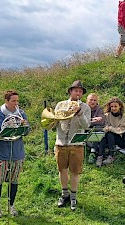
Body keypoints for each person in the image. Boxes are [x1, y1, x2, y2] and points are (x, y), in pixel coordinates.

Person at [0, 90, 28, 217]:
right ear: (6, 101)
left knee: (14, 181)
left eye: (17, 101)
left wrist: (25, 126)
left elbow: (26, 132)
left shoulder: (21, 113)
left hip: (17, 153)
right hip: (1, 153)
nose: (16, 104)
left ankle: (11, 206)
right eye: (13, 101)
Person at [55, 80, 91, 211]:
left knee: (75, 172)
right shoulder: (60, 104)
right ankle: (64, 194)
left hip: (77, 144)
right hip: (61, 143)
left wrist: (79, 113)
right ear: (70, 91)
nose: (78, 93)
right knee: (62, 169)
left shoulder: (85, 107)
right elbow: (54, 122)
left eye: (80, 91)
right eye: (76, 90)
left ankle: (73, 197)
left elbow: (86, 126)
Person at [96, 97, 125, 167]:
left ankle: (111, 155)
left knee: (110, 133)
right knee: (105, 134)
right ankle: (100, 156)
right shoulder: (107, 115)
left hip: (119, 138)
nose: (113, 108)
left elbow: (121, 130)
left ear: (120, 106)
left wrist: (111, 128)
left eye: (115, 106)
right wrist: (106, 128)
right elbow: (105, 126)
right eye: (112, 107)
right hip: (108, 136)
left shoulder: (124, 117)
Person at [86, 93, 105, 164]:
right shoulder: (83, 108)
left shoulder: (99, 109)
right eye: (91, 100)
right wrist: (93, 120)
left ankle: (92, 152)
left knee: (98, 128)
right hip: (84, 129)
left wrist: (88, 121)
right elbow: (81, 121)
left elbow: (101, 122)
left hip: (94, 129)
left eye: (95, 100)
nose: (93, 102)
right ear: (87, 100)